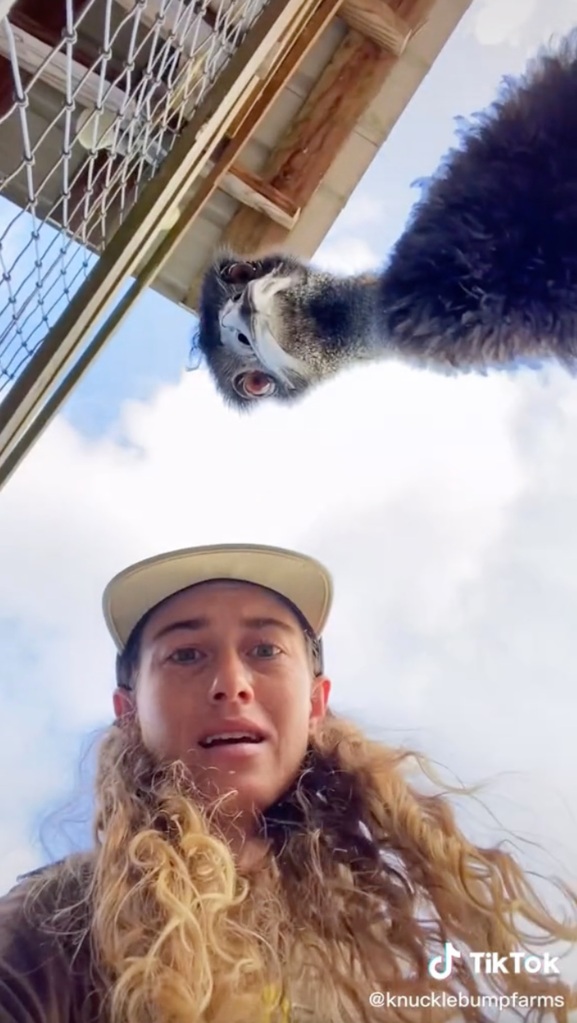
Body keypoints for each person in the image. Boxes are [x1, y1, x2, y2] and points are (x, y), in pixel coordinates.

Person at [0, 542, 575, 1023]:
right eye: (186, 654)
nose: (231, 683)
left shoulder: (362, 950)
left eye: (265, 649)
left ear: (315, 704)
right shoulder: (59, 920)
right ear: (128, 713)